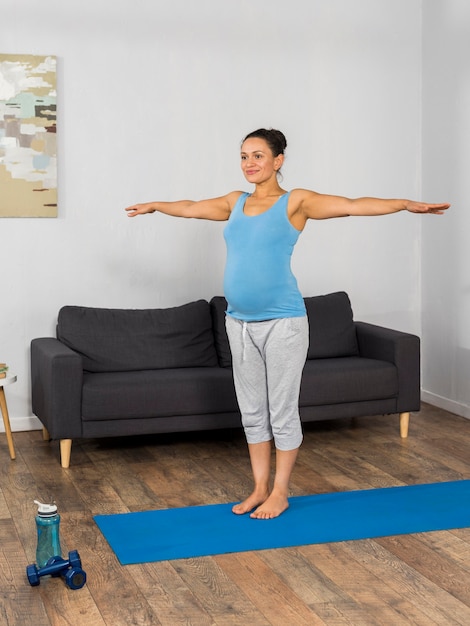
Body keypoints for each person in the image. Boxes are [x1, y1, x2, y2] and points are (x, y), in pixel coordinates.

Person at [125, 128, 450, 520]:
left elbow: (350, 204)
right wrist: (156, 205)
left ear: (278, 160)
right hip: (239, 323)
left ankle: (280, 491)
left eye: (258, 156)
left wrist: (402, 204)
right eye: (244, 156)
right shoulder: (235, 201)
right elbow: (192, 206)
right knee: (251, 410)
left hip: (284, 323)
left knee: (281, 409)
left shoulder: (295, 202)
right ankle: (260, 487)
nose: (249, 163)